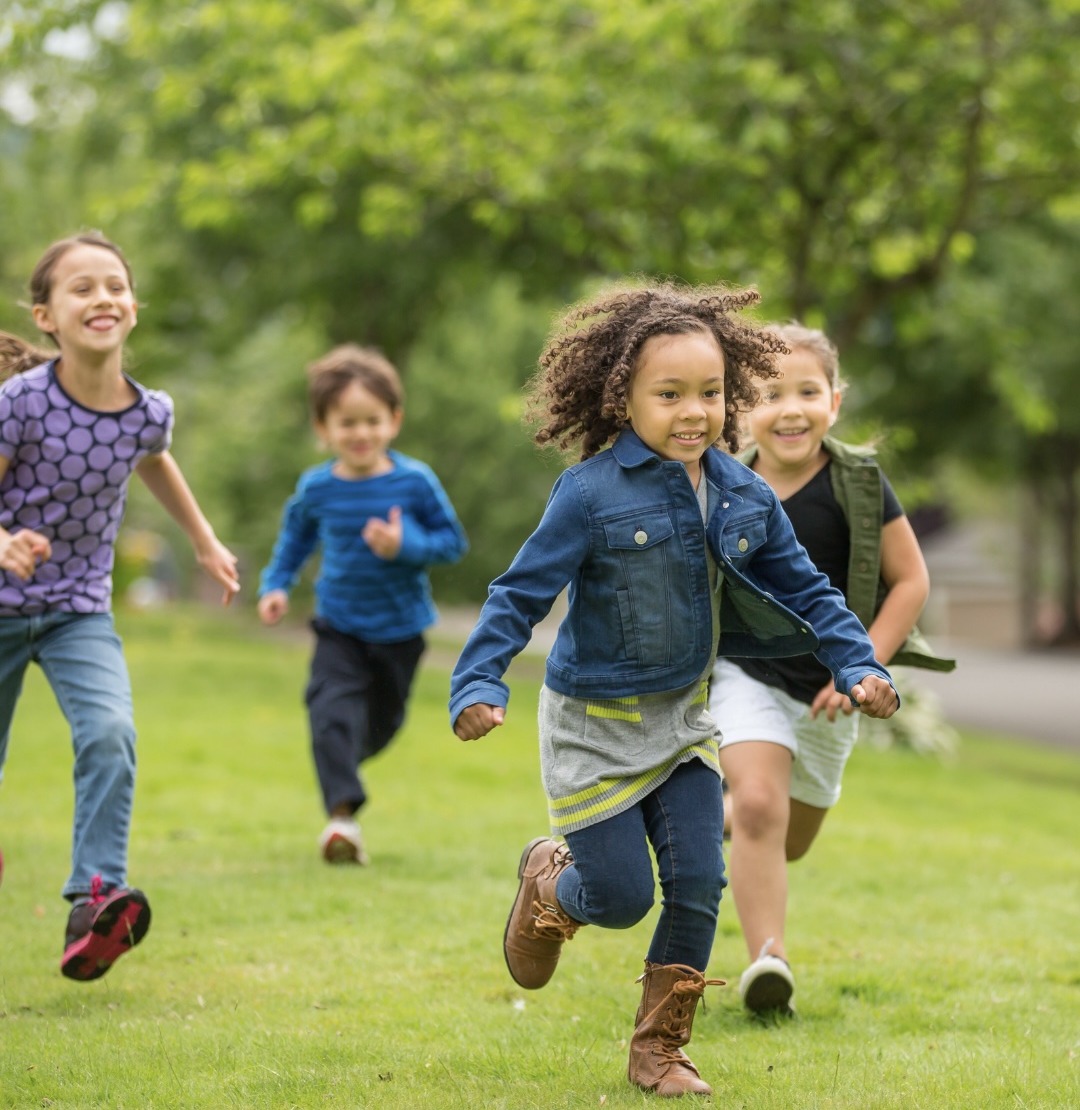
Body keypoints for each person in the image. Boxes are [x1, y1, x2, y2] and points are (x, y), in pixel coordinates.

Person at [449, 284, 899, 1098]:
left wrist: (859, 664)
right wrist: (478, 679)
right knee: (620, 898)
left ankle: (660, 1050)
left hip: (686, 721)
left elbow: (809, 590)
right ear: (622, 399)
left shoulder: (743, 494)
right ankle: (551, 885)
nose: (695, 412)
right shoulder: (588, 494)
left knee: (698, 881)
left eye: (711, 392)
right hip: (594, 726)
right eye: (670, 395)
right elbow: (518, 594)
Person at [0, 232, 240, 981]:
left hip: (77, 610)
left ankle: (95, 897)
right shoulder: (20, 402)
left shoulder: (147, 412)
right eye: (81, 288)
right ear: (46, 317)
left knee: (109, 733)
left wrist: (204, 540)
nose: (101, 297)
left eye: (114, 285)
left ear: (133, 307)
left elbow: (154, 460)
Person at [710, 323, 953, 1017]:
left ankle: (719, 814)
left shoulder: (860, 484)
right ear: (741, 409)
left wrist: (861, 667)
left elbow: (911, 581)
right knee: (762, 805)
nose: (790, 409)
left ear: (835, 402)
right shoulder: (721, 484)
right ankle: (769, 961)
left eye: (807, 392)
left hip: (829, 690)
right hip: (742, 673)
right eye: (770, 394)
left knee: (789, 839)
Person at [258, 345, 467, 865]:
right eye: (347, 422)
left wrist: (404, 546)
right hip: (340, 625)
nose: (360, 433)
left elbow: (451, 543)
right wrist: (276, 585)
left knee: (378, 727)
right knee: (328, 711)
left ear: (394, 420)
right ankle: (342, 821)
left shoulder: (414, 482)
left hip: (401, 630)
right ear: (323, 427)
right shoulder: (317, 488)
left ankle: (342, 762)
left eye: (372, 421)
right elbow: (294, 541)